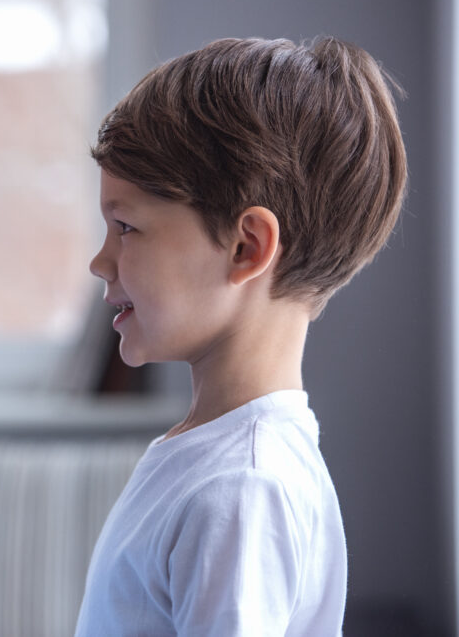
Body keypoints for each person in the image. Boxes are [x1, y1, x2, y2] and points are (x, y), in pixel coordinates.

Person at [75, 37, 406, 636]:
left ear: (246, 247)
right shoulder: (219, 462)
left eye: (126, 227)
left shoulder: (240, 489)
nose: (101, 260)